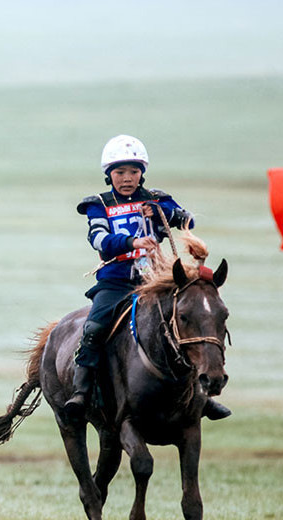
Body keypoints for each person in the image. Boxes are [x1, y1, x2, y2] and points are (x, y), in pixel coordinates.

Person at [66, 135, 230, 420]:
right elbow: (99, 239)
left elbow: (186, 220)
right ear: (109, 175)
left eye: (133, 171)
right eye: (119, 172)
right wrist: (131, 243)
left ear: (142, 172)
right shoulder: (99, 204)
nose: (127, 178)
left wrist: (159, 210)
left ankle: (201, 397)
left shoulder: (156, 198)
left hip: (155, 282)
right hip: (115, 282)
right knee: (94, 328)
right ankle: (81, 391)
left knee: (187, 328)